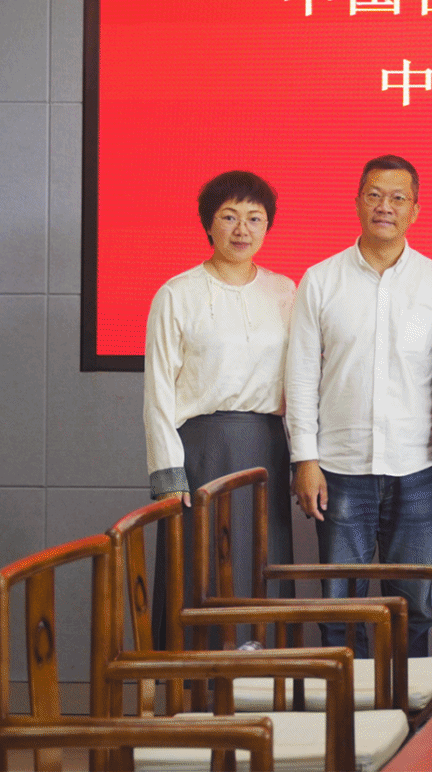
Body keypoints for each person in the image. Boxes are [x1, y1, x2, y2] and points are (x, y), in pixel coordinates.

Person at [286, 154, 432, 656]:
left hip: (417, 468)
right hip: (340, 469)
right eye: (375, 195)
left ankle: (411, 703)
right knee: (341, 609)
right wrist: (305, 460)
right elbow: (300, 375)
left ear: (415, 210)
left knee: (415, 606)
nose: (386, 206)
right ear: (358, 202)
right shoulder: (321, 280)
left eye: (398, 198)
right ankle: (350, 704)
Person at [143, 170, 296, 640]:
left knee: (262, 564)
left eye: (254, 218)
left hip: (267, 448)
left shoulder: (285, 292)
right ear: (208, 223)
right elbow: (158, 392)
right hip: (201, 452)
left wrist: (305, 457)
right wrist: (169, 477)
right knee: (201, 567)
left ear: (268, 225)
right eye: (229, 217)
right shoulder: (177, 294)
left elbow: (301, 381)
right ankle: (195, 679)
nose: (241, 229)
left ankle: (264, 676)